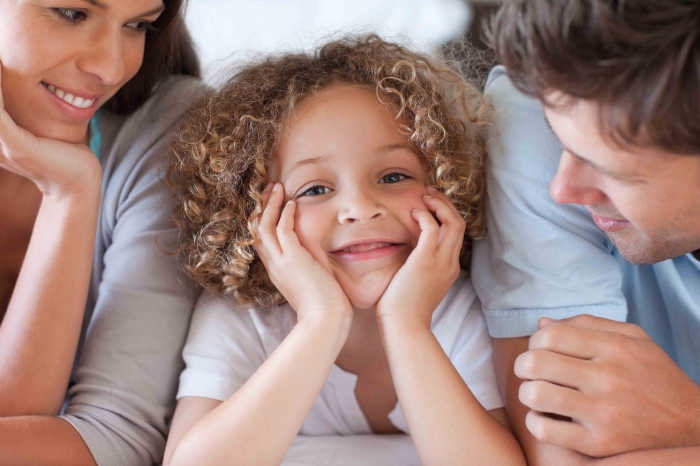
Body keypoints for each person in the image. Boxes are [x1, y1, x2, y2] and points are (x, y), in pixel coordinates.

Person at [162, 35, 526, 466]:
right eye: (315, 188)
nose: (360, 209)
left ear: (444, 185)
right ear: (254, 216)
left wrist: (407, 324)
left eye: (393, 176)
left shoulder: (463, 311)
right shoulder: (243, 318)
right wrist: (321, 321)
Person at [471, 1, 700, 465]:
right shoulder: (540, 109)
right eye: (564, 141)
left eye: (613, 169)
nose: (563, 188)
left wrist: (690, 418)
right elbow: (566, 455)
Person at [0, 1, 204, 464]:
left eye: (138, 25)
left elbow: (113, 440)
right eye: (72, 13)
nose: (112, 67)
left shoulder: (164, 128)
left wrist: (70, 192)